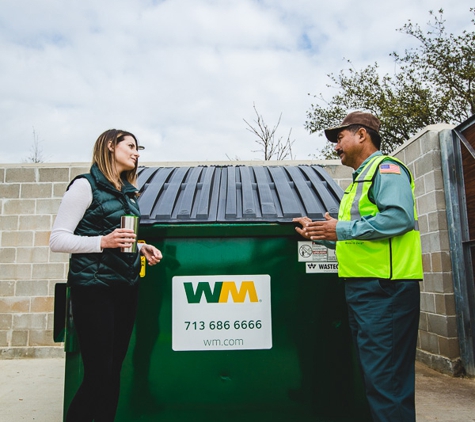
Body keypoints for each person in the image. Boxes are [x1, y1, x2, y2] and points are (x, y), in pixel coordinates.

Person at [293, 111, 423, 422]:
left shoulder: (386, 169)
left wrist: (340, 229)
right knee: (376, 380)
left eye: (340, 138)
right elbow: (358, 238)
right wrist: (320, 233)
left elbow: (398, 218)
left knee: (387, 383)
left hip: (385, 291)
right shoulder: (358, 181)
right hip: (365, 289)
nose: (336, 146)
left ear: (361, 135)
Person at [50, 129, 162, 422]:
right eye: (131, 146)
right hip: (93, 291)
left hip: (124, 289)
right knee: (98, 376)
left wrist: (141, 246)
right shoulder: (85, 186)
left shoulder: (128, 194)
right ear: (111, 146)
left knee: (112, 375)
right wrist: (103, 241)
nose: (137, 153)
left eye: (139, 148)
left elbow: (121, 238)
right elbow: (58, 240)